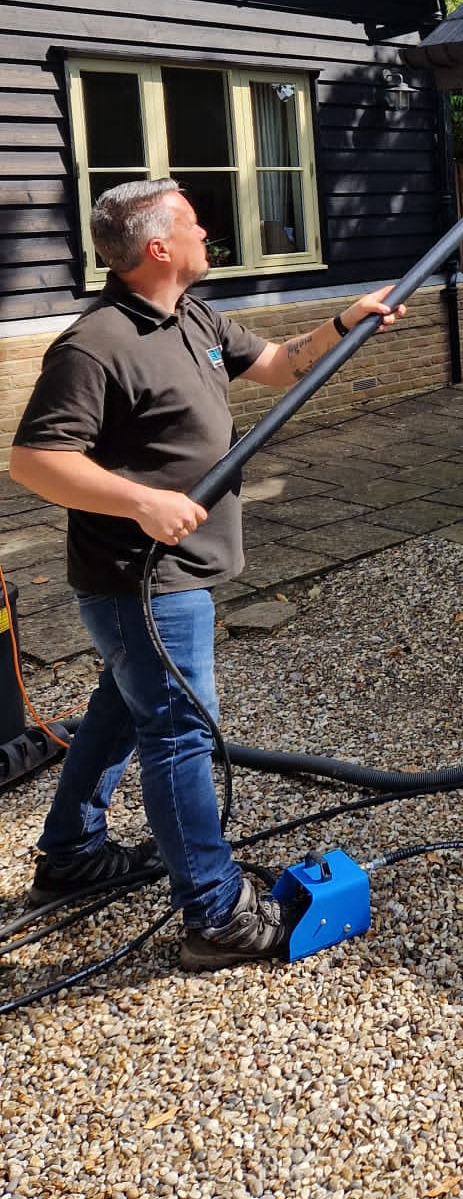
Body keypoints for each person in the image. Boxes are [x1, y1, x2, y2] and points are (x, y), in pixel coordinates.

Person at [9, 178, 406, 971]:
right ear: (159, 248)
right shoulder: (96, 346)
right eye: (194, 225)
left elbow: (284, 366)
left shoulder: (192, 317)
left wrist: (344, 320)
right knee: (180, 731)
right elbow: (34, 461)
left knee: (124, 713)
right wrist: (142, 503)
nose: (206, 235)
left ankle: (71, 853)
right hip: (139, 581)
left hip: (172, 576)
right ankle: (214, 914)